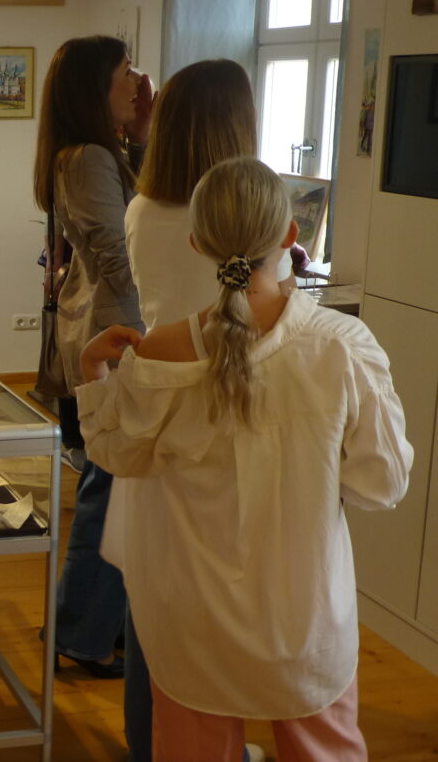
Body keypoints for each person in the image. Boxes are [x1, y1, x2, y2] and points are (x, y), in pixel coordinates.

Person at [77, 157, 412, 761]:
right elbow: (381, 483)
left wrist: (93, 367)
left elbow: (115, 454)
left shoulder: (160, 351)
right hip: (302, 614)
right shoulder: (342, 348)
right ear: (291, 234)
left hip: (190, 615)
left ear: (197, 243)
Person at [118, 58, 268, 761]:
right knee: (224, 612)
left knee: (152, 603)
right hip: (230, 421)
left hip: (159, 407)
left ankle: (150, 746)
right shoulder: (242, 232)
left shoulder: (142, 210)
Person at [32, 34, 151, 678]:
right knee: (108, 486)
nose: (137, 81)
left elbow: (136, 218)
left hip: (110, 327)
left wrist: (144, 135)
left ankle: (90, 624)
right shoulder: (87, 160)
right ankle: (80, 632)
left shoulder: (92, 154)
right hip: (116, 333)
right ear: (94, 88)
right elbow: (122, 255)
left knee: (110, 483)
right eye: (125, 72)